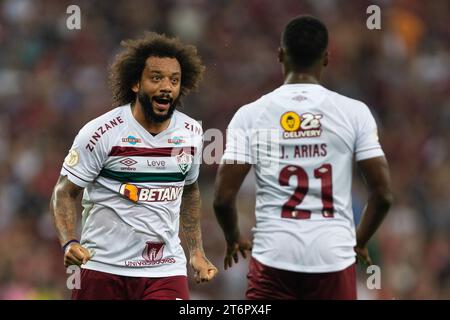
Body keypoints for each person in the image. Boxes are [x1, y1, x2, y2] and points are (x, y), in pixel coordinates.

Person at [213, 15, 393, 299]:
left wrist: (233, 236)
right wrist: (358, 242)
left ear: (280, 55)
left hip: (274, 255)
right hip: (332, 255)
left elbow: (223, 197)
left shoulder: (250, 115)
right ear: (327, 58)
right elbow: (383, 194)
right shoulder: (354, 112)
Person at [50, 32, 218, 300]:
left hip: (165, 269)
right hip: (103, 267)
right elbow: (64, 192)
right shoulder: (100, 133)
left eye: (174, 80)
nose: (167, 87)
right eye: (156, 78)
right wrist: (69, 241)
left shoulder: (191, 132)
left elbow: (189, 191)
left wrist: (196, 251)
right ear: (135, 84)